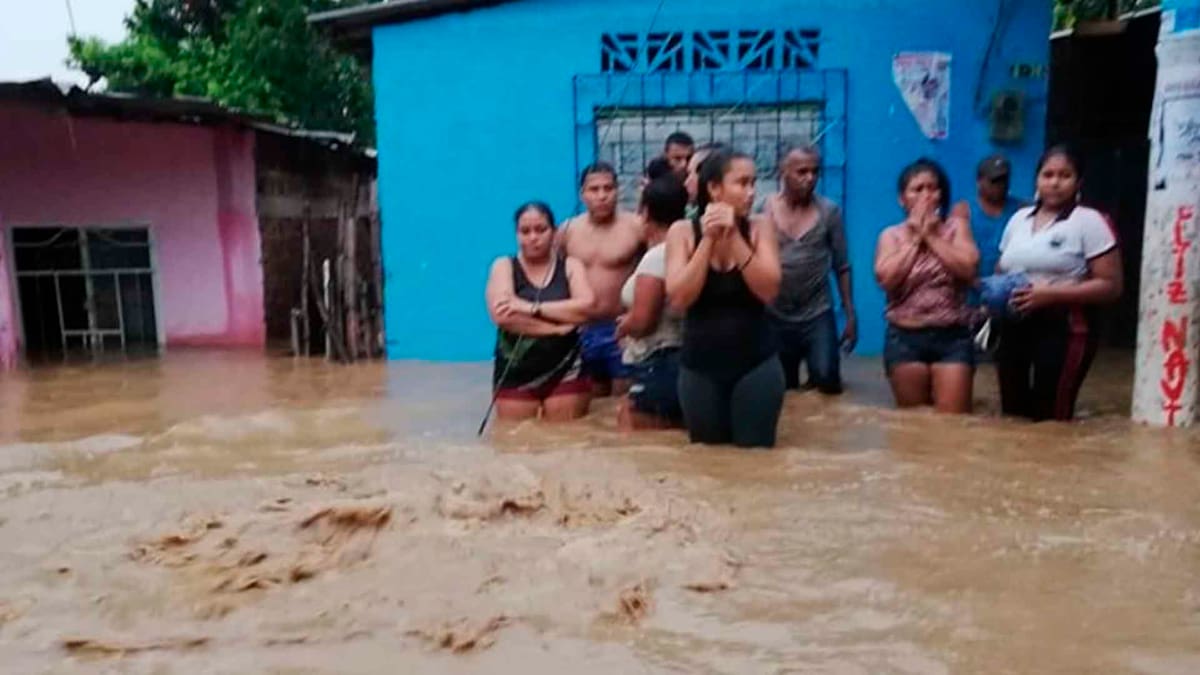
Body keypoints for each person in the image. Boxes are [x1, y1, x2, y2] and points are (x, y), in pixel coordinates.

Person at [666, 149, 785, 448]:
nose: (751, 192)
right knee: (708, 461)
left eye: (753, 183)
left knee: (755, 459)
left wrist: (733, 238)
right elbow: (679, 298)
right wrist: (708, 239)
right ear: (714, 188)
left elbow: (769, 290)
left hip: (756, 364)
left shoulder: (760, 227)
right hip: (699, 367)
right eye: (742, 183)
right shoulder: (682, 232)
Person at [994, 145, 1122, 422]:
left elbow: (1110, 286)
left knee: (1052, 416)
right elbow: (1001, 268)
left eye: (1065, 175)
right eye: (1048, 174)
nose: (1055, 182)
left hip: (1066, 327)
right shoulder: (1018, 219)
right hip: (1014, 324)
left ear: (1078, 182)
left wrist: (1051, 295)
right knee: (1011, 414)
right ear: (1037, 180)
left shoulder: (1089, 221)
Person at [874, 158, 980, 414]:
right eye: (917, 189)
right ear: (903, 199)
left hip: (952, 337)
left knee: (954, 421)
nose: (925, 196)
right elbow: (886, 280)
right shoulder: (891, 236)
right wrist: (914, 240)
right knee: (913, 424)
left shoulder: (957, 228)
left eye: (932, 188)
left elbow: (968, 270)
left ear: (941, 195)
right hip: (905, 337)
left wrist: (931, 236)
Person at [486, 202, 596, 421]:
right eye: (525, 231)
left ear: (554, 232)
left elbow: (586, 308)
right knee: (514, 437)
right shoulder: (503, 266)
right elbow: (503, 316)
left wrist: (530, 308)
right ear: (517, 234)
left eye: (540, 230)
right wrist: (555, 329)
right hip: (515, 369)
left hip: (568, 366)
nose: (533, 238)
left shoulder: (571, 266)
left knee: (567, 436)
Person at [762, 146, 857, 394]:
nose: (810, 178)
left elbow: (842, 265)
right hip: (775, 313)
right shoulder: (763, 210)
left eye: (815, 172)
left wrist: (850, 315)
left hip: (816, 312)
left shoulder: (829, 212)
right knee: (781, 389)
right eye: (802, 172)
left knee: (827, 382)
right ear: (783, 171)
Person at [560, 162, 644, 397]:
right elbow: (555, 278)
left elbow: (654, 272)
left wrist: (638, 320)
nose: (602, 196)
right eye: (594, 189)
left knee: (623, 400)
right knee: (590, 402)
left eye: (608, 188)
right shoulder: (567, 231)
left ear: (617, 190)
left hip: (622, 329)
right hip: (582, 330)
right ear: (582, 194)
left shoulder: (636, 226)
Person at [616, 175, 689, 430]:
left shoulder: (657, 257)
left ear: (645, 212)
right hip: (680, 360)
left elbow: (643, 322)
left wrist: (624, 325)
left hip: (659, 361)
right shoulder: (688, 248)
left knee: (633, 425)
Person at [972, 154, 1026, 282]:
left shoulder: (1023, 210)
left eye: (1004, 180)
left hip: (1012, 284)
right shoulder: (964, 211)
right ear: (979, 182)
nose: (1000, 185)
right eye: (994, 181)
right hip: (974, 286)